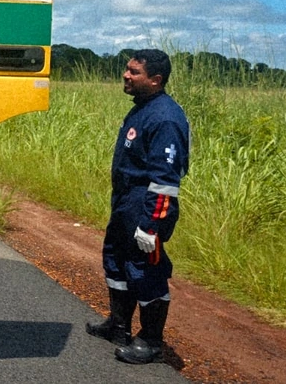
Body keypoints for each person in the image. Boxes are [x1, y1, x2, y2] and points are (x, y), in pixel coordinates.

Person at [86, 48, 190, 364]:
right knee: (115, 259)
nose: (126, 75)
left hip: (147, 205)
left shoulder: (165, 118)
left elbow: (165, 180)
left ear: (155, 80)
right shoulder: (142, 108)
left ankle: (151, 341)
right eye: (127, 69)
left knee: (145, 270)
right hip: (125, 201)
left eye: (134, 72)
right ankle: (118, 326)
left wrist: (150, 224)